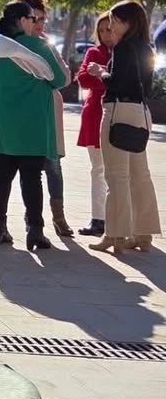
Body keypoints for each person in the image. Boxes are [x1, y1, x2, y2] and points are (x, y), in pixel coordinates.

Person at [0, 0, 70, 249]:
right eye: (33, 19)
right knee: (31, 178)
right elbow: (59, 79)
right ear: (22, 20)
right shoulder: (37, 46)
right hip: (32, 124)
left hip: (1, 123)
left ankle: (0, 226)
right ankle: (36, 231)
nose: (36, 23)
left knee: (2, 176)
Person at [86, 0, 162, 255]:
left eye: (115, 20)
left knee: (116, 176)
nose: (111, 25)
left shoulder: (123, 48)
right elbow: (147, 86)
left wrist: (100, 72)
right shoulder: (146, 48)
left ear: (127, 22)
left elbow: (115, 84)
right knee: (141, 175)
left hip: (118, 110)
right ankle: (144, 233)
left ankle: (115, 234)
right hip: (141, 113)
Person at [13, 0, 74, 237]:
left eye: (42, 19)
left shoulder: (47, 44)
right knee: (27, 170)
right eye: (34, 19)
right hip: (25, 115)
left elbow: (65, 77)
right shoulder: (14, 45)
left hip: (50, 114)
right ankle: (30, 218)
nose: (39, 24)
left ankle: (58, 216)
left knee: (54, 166)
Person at [75, 13, 114, 236]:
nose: (106, 34)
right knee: (98, 169)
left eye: (109, 29)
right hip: (94, 115)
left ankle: (117, 218)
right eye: (102, 30)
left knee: (117, 171)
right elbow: (83, 79)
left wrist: (99, 75)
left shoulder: (123, 52)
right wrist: (105, 79)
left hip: (117, 115)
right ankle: (98, 218)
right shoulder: (93, 52)